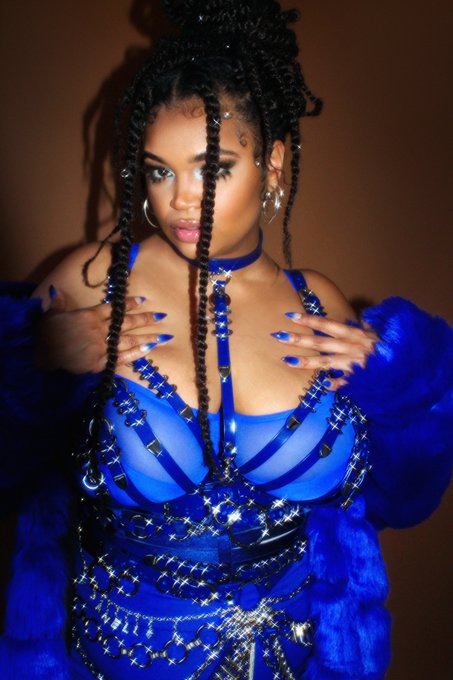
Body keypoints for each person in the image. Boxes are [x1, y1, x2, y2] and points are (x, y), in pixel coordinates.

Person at [1, 1, 452, 678]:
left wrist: (399, 386)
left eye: (211, 168)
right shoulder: (94, 281)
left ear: (273, 163)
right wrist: (29, 364)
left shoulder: (316, 301)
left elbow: (405, 496)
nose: (180, 199)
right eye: (159, 170)